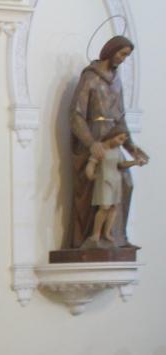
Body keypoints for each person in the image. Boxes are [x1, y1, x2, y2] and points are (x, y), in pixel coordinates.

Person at [69, 35, 150, 249]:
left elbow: (121, 118)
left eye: (127, 56)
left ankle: (116, 236)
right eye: (122, 53)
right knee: (97, 185)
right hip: (95, 138)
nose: (123, 59)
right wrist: (90, 142)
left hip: (115, 136)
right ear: (110, 50)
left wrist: (132, 149)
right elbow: (76, 115)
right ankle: (92, 237)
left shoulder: (117, 80)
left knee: (126, 183)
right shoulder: (90, 77)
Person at [84, 126, 142, 248]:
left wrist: (134, 162)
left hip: (116, 180)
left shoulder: (117, 151)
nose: (121, 142)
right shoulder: (101, 148)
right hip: (104, 180)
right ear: (112, 136)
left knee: (113, 207)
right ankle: (96, 233)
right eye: (120, 139)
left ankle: (106, 233)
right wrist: (90, 174)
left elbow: (121, 164)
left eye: (123, 140)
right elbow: (92, 163)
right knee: (104, 206)